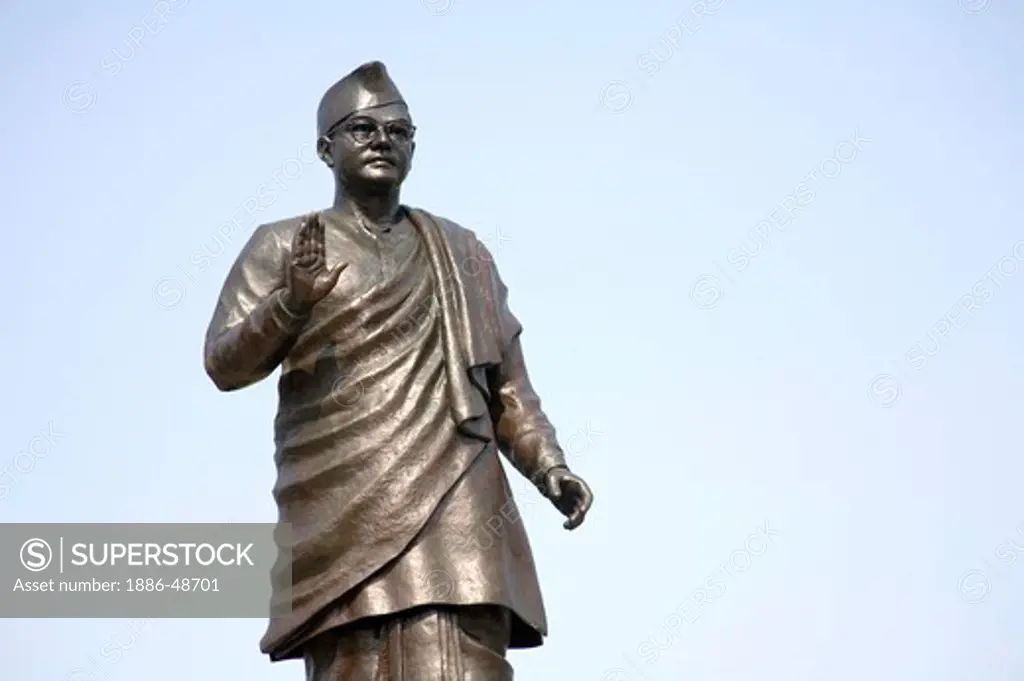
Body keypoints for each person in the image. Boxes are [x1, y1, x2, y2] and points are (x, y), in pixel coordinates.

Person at [203, 61, 594, 681]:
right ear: (325, 149)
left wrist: (549, 466)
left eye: (399, 131)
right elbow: (224, 363)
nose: (383, 140)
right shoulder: (284, 244)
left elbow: (509, 386)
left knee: (469, 650)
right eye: (362, 129)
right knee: (361, 658)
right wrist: (292, 303)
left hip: (461, 484)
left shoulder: (462, 252)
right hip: (343, 503)